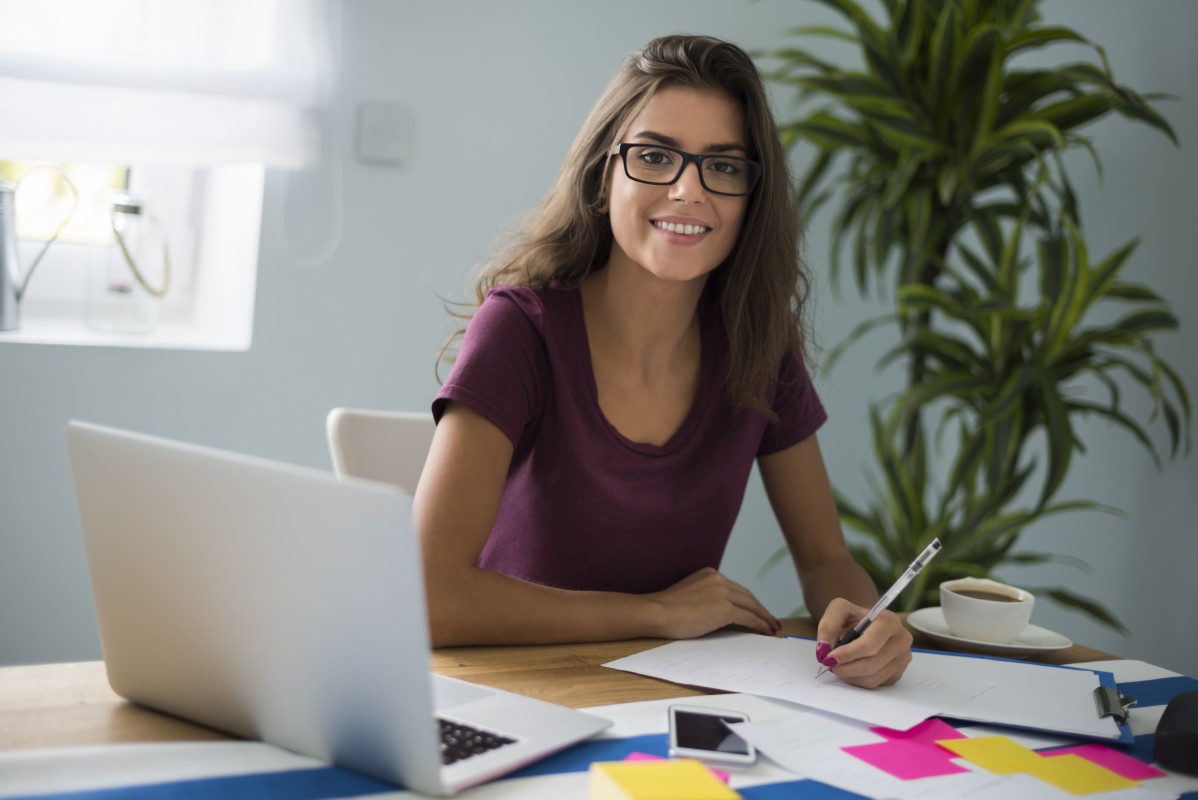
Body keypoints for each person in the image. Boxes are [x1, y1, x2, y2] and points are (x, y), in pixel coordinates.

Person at [412, 34, 912, 688]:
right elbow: (428, 596)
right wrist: (655, 613)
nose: (686, 190)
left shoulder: (759, 346)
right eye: (654, 156)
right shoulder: (521, 330)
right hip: (512, 692)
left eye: (724, 167)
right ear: (601, 179)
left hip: (665, 699)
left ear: (750, 202)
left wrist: (866, 618)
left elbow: (824, 559)